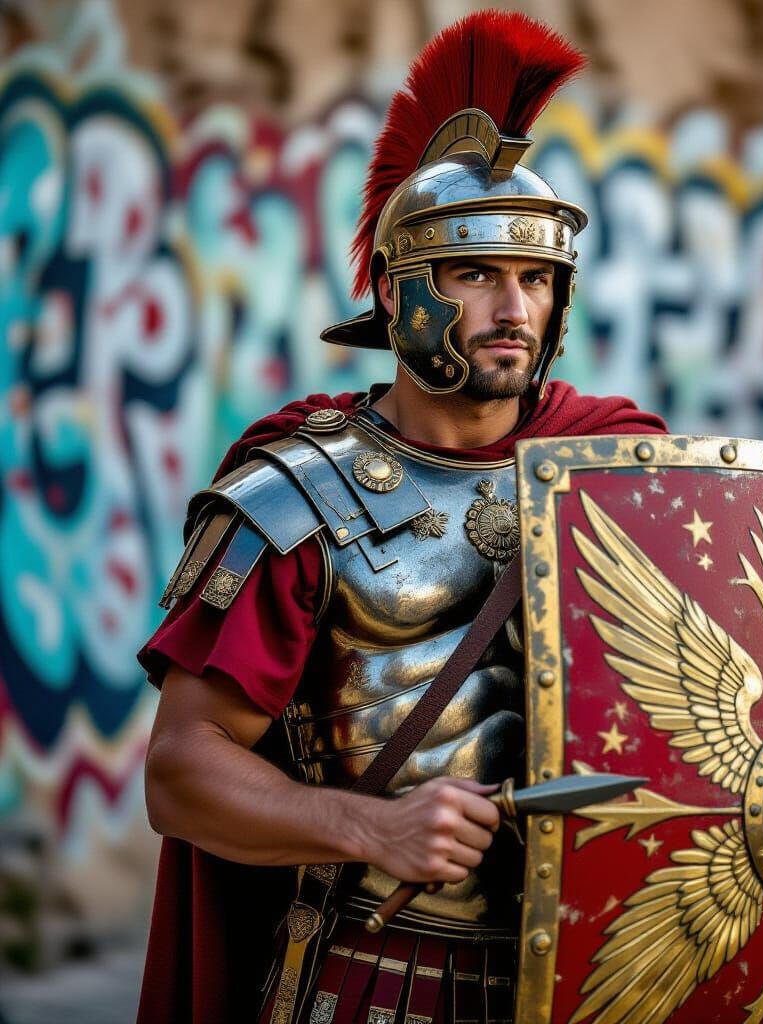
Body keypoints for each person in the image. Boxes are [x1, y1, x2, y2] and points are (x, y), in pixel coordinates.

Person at [137, 11, 666, 1024]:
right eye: (474, 275)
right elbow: (181, 772)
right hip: (381, 976)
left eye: (535, 279)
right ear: (394, 290)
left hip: (597, 976)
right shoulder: (296, 498)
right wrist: (368, 827)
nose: (514, 309)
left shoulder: (617, 468)